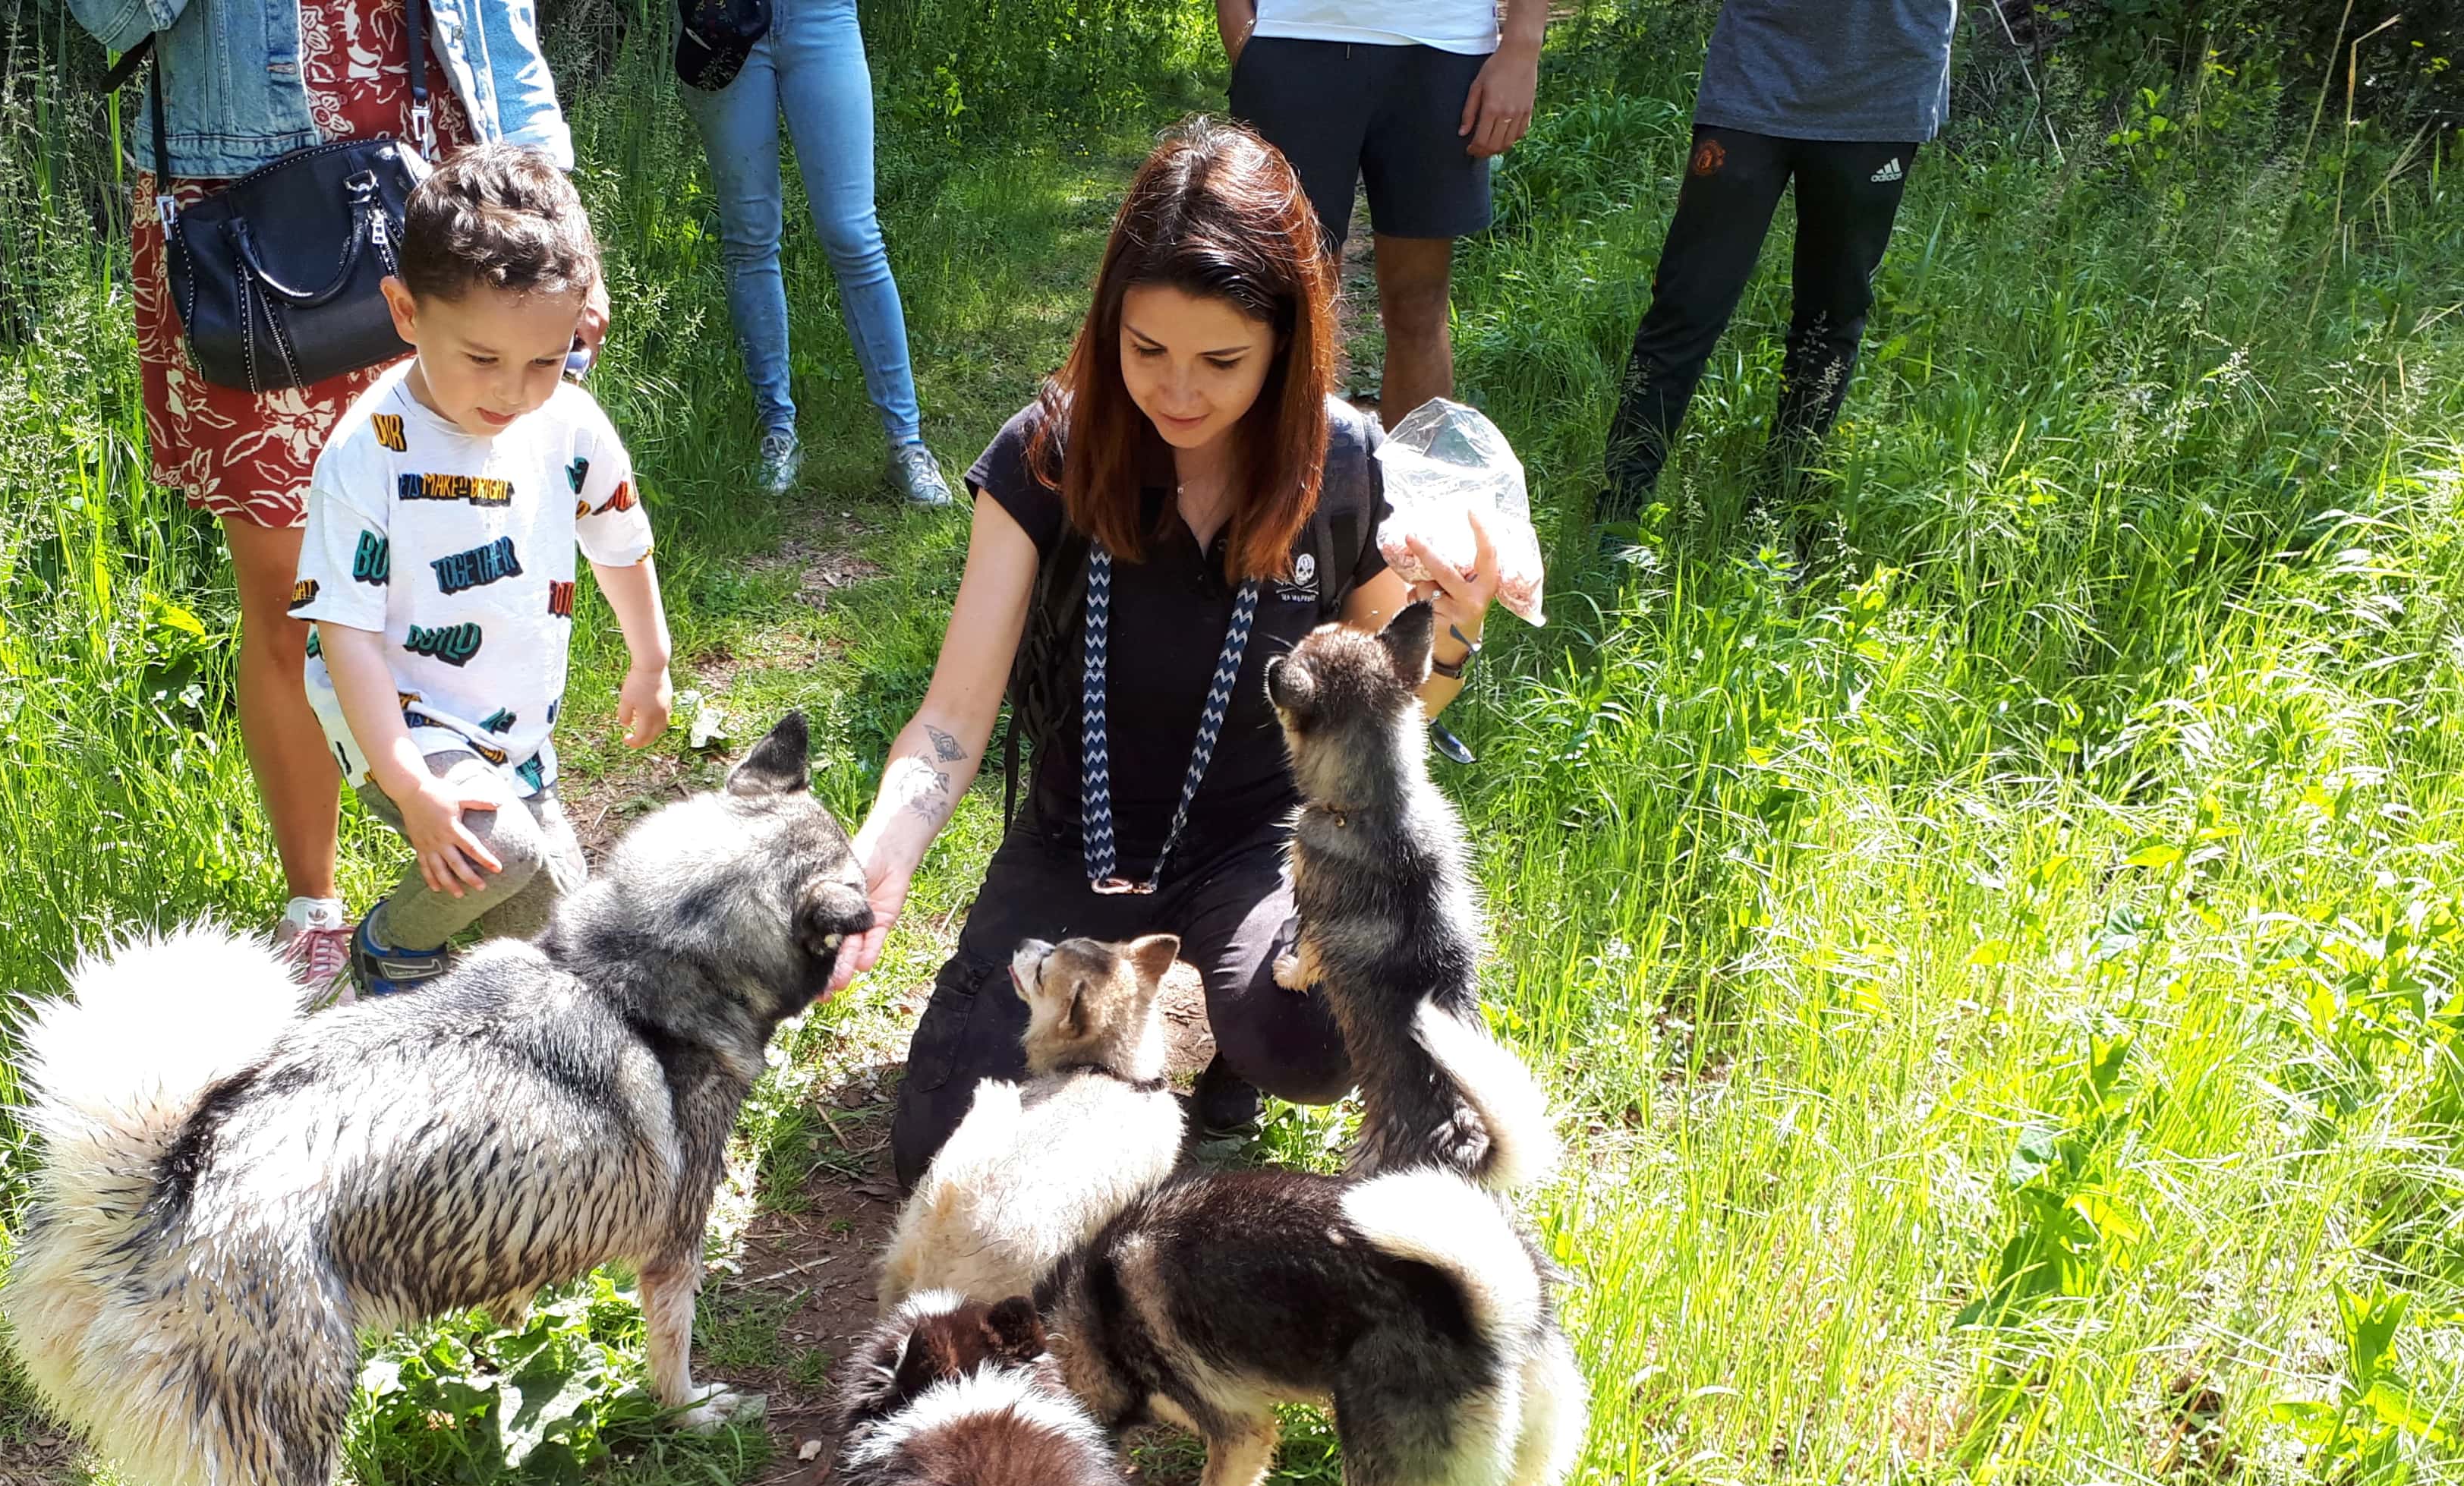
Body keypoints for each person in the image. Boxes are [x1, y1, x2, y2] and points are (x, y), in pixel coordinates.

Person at [824, 119, 1511, 1189]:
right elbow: (952, 718)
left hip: (1258, 842)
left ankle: (1230, 1049)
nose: (1178, 392)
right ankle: (1114, 1048)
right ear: (1109, 330)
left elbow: (1396, 712)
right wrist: (885, 848)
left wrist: (1457, 619)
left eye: (1222, 361)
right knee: (940, 1151)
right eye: (1146, 352)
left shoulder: (1346, 466)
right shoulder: (1046, 453)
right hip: (1077, 832)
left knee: (1316, 1040)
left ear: (1287, 344)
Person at [68, 0, 590, 991]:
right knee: (289, 598)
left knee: (474, 561)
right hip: (246, 217)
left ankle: (489, 842)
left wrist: (553, 208)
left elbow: (494, 19)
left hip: (436, 193)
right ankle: (315, 905)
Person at [291, 146, 672, 996]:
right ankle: (390, 947)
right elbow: (344, 633)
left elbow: (618, 540)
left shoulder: (567, 422)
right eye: (483, 359)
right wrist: (408, 782)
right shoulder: (367, 451)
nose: (515, 391)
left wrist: (651, 660)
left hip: (512, 726)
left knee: (567, 949)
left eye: (545, 359)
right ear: (404, 310)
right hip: (402, 707)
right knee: (497, 849)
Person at [1593, 0, 1959, 563]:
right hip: (1756, 69)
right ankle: (1614, 520)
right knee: (1687, 302)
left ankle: (1777, 522)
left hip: (1884, 79)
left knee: (1831, 316)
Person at [1222, 0, 1549, 423]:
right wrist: (1243, 30)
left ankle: (1413, 485)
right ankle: (1295, 485)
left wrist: (1523, 45)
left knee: (1419, 303)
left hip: (1444, 45)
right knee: (1292, 303)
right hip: (1291, 37)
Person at [681, 0, 953, 505]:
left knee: (853, 232)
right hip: (726, 21)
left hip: (822, 17)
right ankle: (777, 432)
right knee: (749, 235)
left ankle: (907, 445)